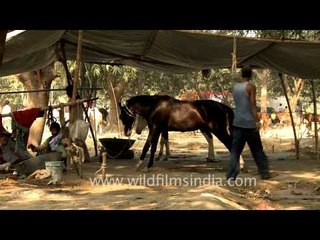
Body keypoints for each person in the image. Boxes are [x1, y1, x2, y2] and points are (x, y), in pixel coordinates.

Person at [226, 65, 271, 180]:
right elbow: (252, 104)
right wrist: (257, 120)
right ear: (251, 75)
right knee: (257, 149)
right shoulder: (251, 87)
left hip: (237, 122)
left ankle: (231, 175)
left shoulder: (235, 87)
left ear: (241, 74)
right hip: (249, 123)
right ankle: (264, 172)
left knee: (235, 151)